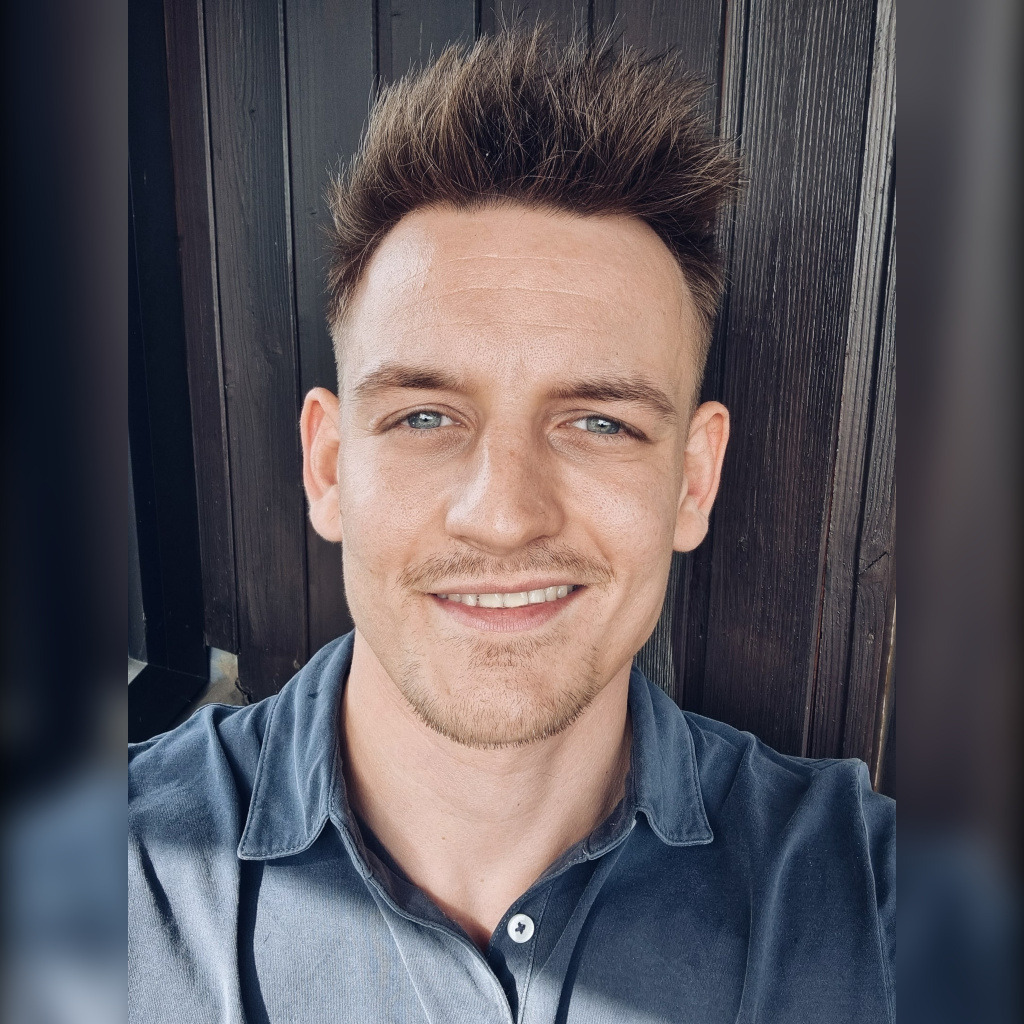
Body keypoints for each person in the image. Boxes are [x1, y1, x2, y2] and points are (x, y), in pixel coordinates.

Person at [130, 29, 894, 1024]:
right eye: (424, 416)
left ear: (693, 480)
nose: (502, 515)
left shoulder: (872, 897)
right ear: (329, 467)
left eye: (599, 422)